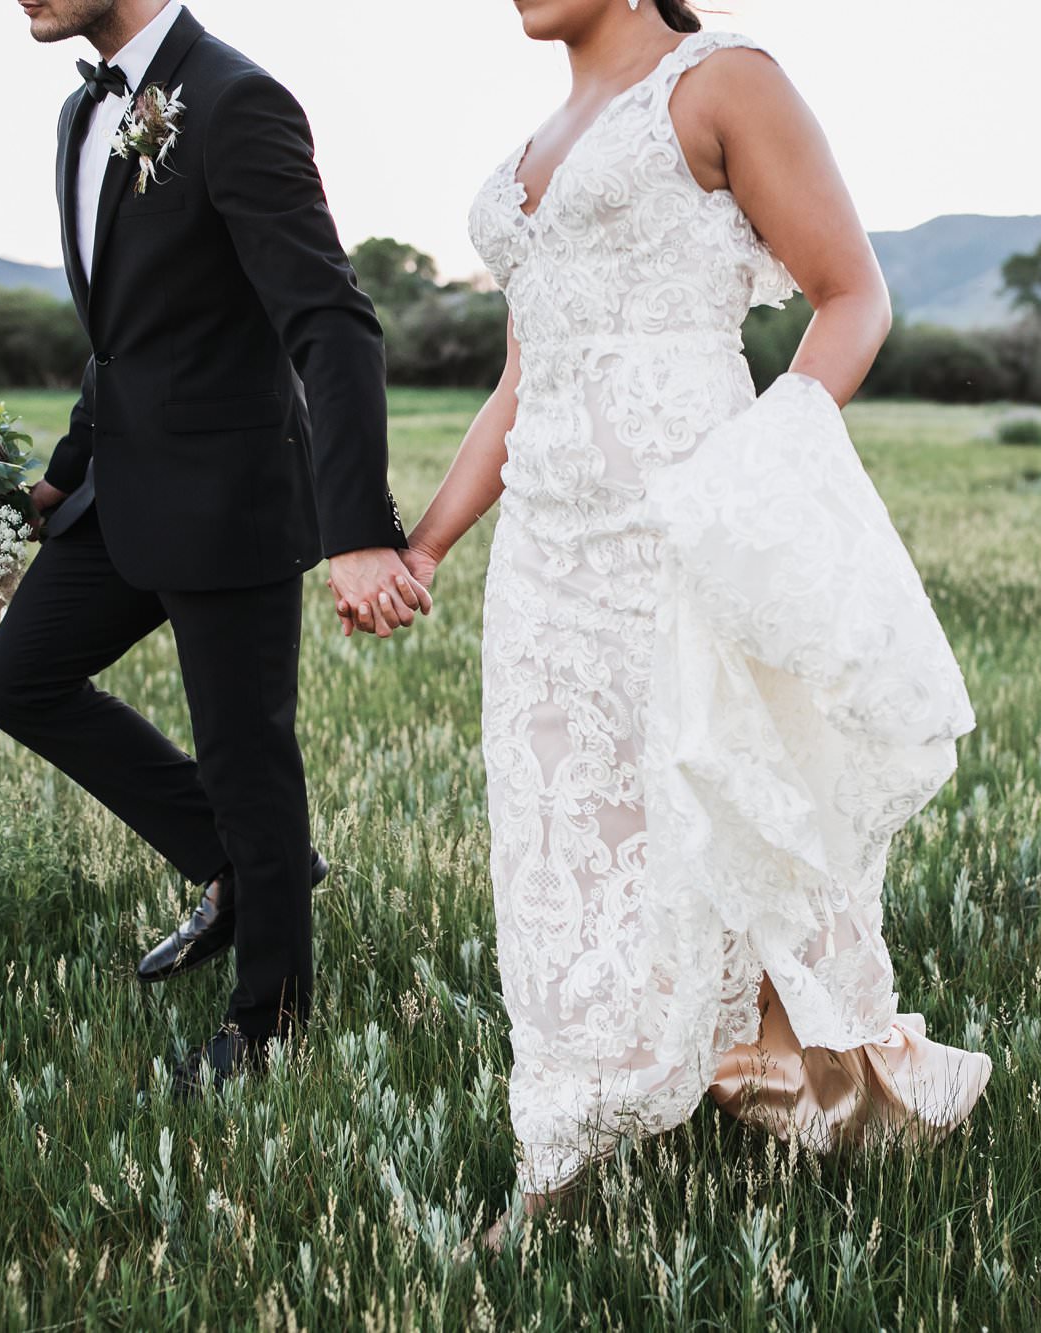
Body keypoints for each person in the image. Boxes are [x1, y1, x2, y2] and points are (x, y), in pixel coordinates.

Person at [376, 0, 994, 1247]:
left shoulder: (720, 82)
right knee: (560, 841)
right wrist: (427, 542)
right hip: (547, 561)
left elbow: (851, 298)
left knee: (722, 801)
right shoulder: (531, 150)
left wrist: (753, 480)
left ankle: (785, 1072)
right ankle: (569, 1131)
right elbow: (520, 379)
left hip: (687, 528)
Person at [0, 0, 430, 1096]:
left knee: (248, 759)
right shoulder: (84, 116)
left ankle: (265, 1029)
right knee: (19, 681)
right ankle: (239, 867)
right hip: (121, 490)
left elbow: (328, 319)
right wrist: (61, 471)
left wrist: (359, 529)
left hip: (231, 497)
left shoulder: (235, 101)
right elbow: (124, 337)